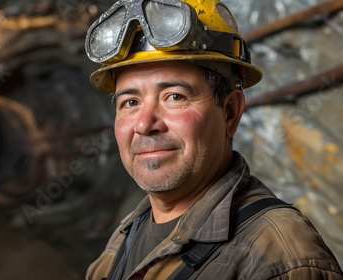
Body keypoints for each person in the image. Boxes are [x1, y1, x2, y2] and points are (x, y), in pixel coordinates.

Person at [84, 0, 343, 279]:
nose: (145, 124)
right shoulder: (125, 238)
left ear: (230, 113)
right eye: (130, 102)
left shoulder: (280, 259)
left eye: (174, 97)